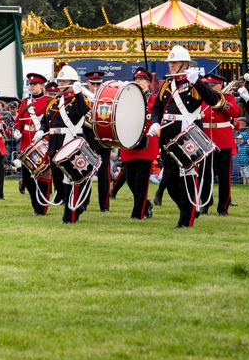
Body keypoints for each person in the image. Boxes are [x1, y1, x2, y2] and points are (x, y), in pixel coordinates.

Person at [145, 46, 224, 228]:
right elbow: (157, 106)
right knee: (170, 181)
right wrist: (155, 122)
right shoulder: (167, 84)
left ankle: (185, 220)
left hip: (188, 136)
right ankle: (189, 209)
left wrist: (198, 82)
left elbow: (213, 100)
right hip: (168, 137)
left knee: (187, 178)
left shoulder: (195, 83)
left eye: (175, 62)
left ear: (185, 64)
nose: (171, 66)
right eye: (170, 63)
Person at [39, 64, 95, 224]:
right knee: (58, 181)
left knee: (71, 179)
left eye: (65, 81)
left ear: (73, 81)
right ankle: (75, 206)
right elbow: (46, 119)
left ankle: (70, 214)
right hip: (55, 143)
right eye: (60, 81)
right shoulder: (55, 101)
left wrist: (78, 93)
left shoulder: (80, 98)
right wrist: (41, 130)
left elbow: (84, 111)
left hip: (71, 141)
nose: (61, 84)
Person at [198, 74, 244, 216]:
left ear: (220, 86)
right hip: (205, 139)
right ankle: (205, 203)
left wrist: (221, 102)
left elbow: (235, 112)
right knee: (205, 174)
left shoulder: (228, 97)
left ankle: (223, 207)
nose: (210, 88)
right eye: (208, 86)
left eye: (213, 86)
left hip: (223, 141)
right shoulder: (202, 98)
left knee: (224, 177)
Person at [13, 72, 54, 215]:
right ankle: (35, 204)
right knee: (27, 179)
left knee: (44, 176)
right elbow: (18, 120)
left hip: (42, 144)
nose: (31, 87)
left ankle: (42, 208)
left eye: (34, 84)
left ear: (42, 86)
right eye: (30, 84)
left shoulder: (50, 101)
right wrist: (17, 130)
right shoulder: (25, 102)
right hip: (26, 145)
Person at [122, 67, 159, 220]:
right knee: (130, 179)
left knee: (141, 180)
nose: (138, 82)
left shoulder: (154, 99)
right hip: (129, 143)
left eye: (141, 79)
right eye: (136, 79)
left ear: (148, 82)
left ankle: (138, 213)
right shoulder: (127, 97)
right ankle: (146, 204)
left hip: (146, 143)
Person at [81, 70, 113, 212]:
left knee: (104, 175)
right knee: (86, 173)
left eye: (98, 84)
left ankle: (104, 205)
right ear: (87, 83)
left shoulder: (106, 98)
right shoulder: (83, 98)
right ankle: (84, 202)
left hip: (102, 141)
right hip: (88, 139)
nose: (95, 86)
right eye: (92, 84)